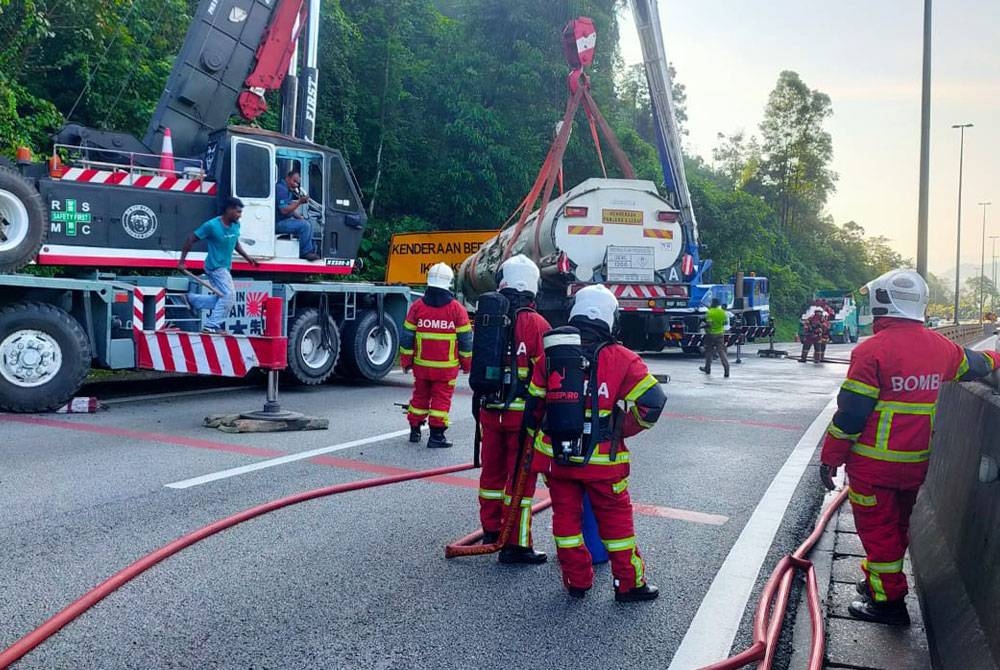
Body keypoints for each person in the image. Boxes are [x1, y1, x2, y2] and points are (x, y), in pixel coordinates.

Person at [819, 269, 1000, 626]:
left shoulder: (871, 352)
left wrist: (830, 458)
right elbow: (976, 365)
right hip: (915, 464)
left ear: (881, 302)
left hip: (873, 467)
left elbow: (851, 415)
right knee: (896, 526)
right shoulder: (938, 348)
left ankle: (888, 602)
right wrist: (998, 358)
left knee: (877, 530)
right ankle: (878, 584)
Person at [525, 285, 667, 601]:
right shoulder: (624, 359)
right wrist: (620, 429)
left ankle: (577, 581)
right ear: (609, 319)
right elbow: (653, 404)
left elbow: (533, 406)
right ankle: (629, 584)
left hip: (557, 460)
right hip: (602, 464)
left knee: (565, 521)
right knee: (616, 525)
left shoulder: (550, 356)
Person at [476, 255, 551, 564]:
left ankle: (492, 531)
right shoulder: (537, 325)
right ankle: (516, 545)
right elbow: (547, 375)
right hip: (523, 420)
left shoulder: (486, 318)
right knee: (519, 482)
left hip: (490, 412)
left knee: (491, 474)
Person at [398, 263, 472, 448]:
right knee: (441, 399)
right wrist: (466, 363)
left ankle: (415, 430)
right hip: (445, 369)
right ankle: (436, 437)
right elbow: (465, 341)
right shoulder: (457, 309)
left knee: (420, 396)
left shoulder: (417, 307)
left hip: (421, 366)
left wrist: (406, 362)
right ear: (449, 283)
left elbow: (406, 338)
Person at [178, 197, 258, 333]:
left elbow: (235, 243)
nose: (240, 215)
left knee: (223, 298)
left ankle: (191, 299)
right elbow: (190, 238)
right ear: (228, 210)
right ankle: (211, 325)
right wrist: (182, 262)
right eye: (238, 212)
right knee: (229, 295)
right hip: (215, 267)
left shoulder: (236, 225)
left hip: (225, 267)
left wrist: (247, 257)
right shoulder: (212, 226)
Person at [275, 170, 320, 261]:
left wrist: (300, 218)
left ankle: (311, 250)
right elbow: (284, 210)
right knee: (305, 226)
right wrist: (299, 202)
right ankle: (305, 252)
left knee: (307, 222)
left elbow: (290, 209)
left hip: (284, 220)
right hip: (277, 223)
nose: (295, 185)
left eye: (297, 183)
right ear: (287, 178)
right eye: (294, 181)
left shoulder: (288, 190)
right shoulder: (281, 189)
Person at [699, 298, 731, 377]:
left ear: (712, 303)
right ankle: (726, 369)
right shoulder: (722, 312)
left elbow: (709, 324)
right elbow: (725, 322)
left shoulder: (709, 313)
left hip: (710, 334)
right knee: (721, 352)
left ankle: (707, 368)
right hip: (720, 334)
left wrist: (702, 326)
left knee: (709, 351)